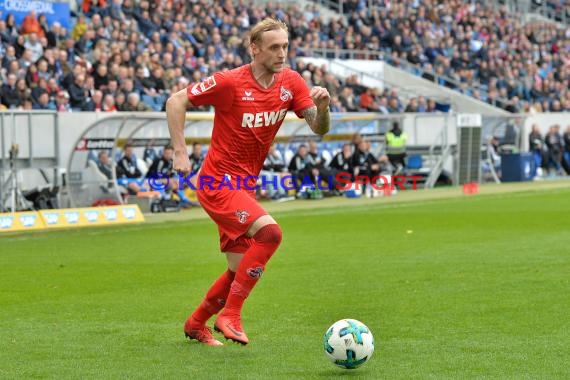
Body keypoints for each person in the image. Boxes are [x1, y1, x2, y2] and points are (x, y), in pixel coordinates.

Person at [166, 18, 330, 346]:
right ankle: (231, 314)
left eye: (285, 46)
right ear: (254, 49)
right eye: (274, 47)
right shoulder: (230, 82)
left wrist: (323, 107)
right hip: (216, 183)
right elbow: (176, 101)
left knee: (237, 270)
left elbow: (319, 128)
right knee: (271, 233)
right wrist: (180, 152)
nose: (282, 53)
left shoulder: (292, 83)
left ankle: (196, 323)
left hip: (243, 188)